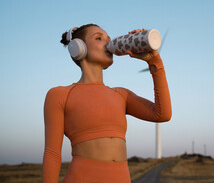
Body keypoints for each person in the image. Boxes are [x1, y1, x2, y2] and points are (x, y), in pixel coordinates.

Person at [42, 24, 172, 183]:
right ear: (78, 48)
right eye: (99, 38)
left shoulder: (121, 94)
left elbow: (162, 114)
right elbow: (52, 154)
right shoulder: (59, 95)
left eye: (109, 39)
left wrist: (154, 61)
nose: (108, 44)